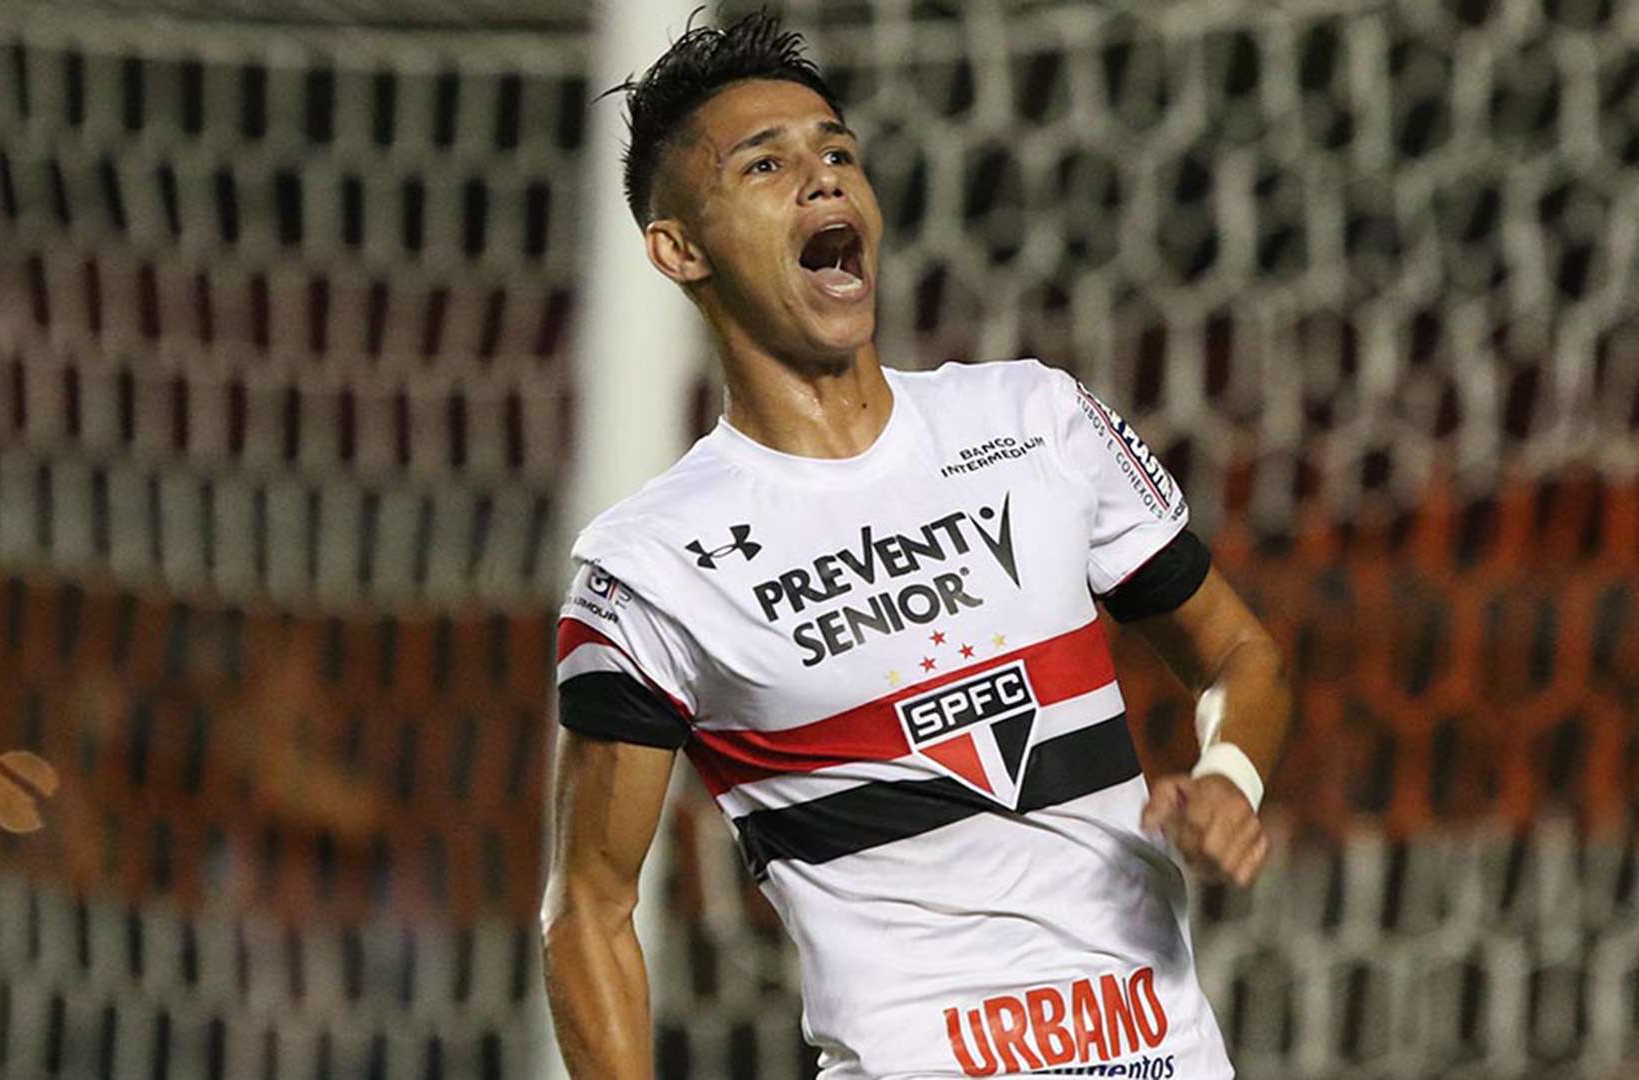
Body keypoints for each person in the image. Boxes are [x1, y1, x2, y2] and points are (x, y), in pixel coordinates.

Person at [542, 12, 1291, 1079]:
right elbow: (588, 909)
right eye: (767, 164)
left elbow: (1239, 656)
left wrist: (1230, 778)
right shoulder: (652, 568)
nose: (823, 179)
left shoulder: (1037, 422)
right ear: (680, 248)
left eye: (837, 152)